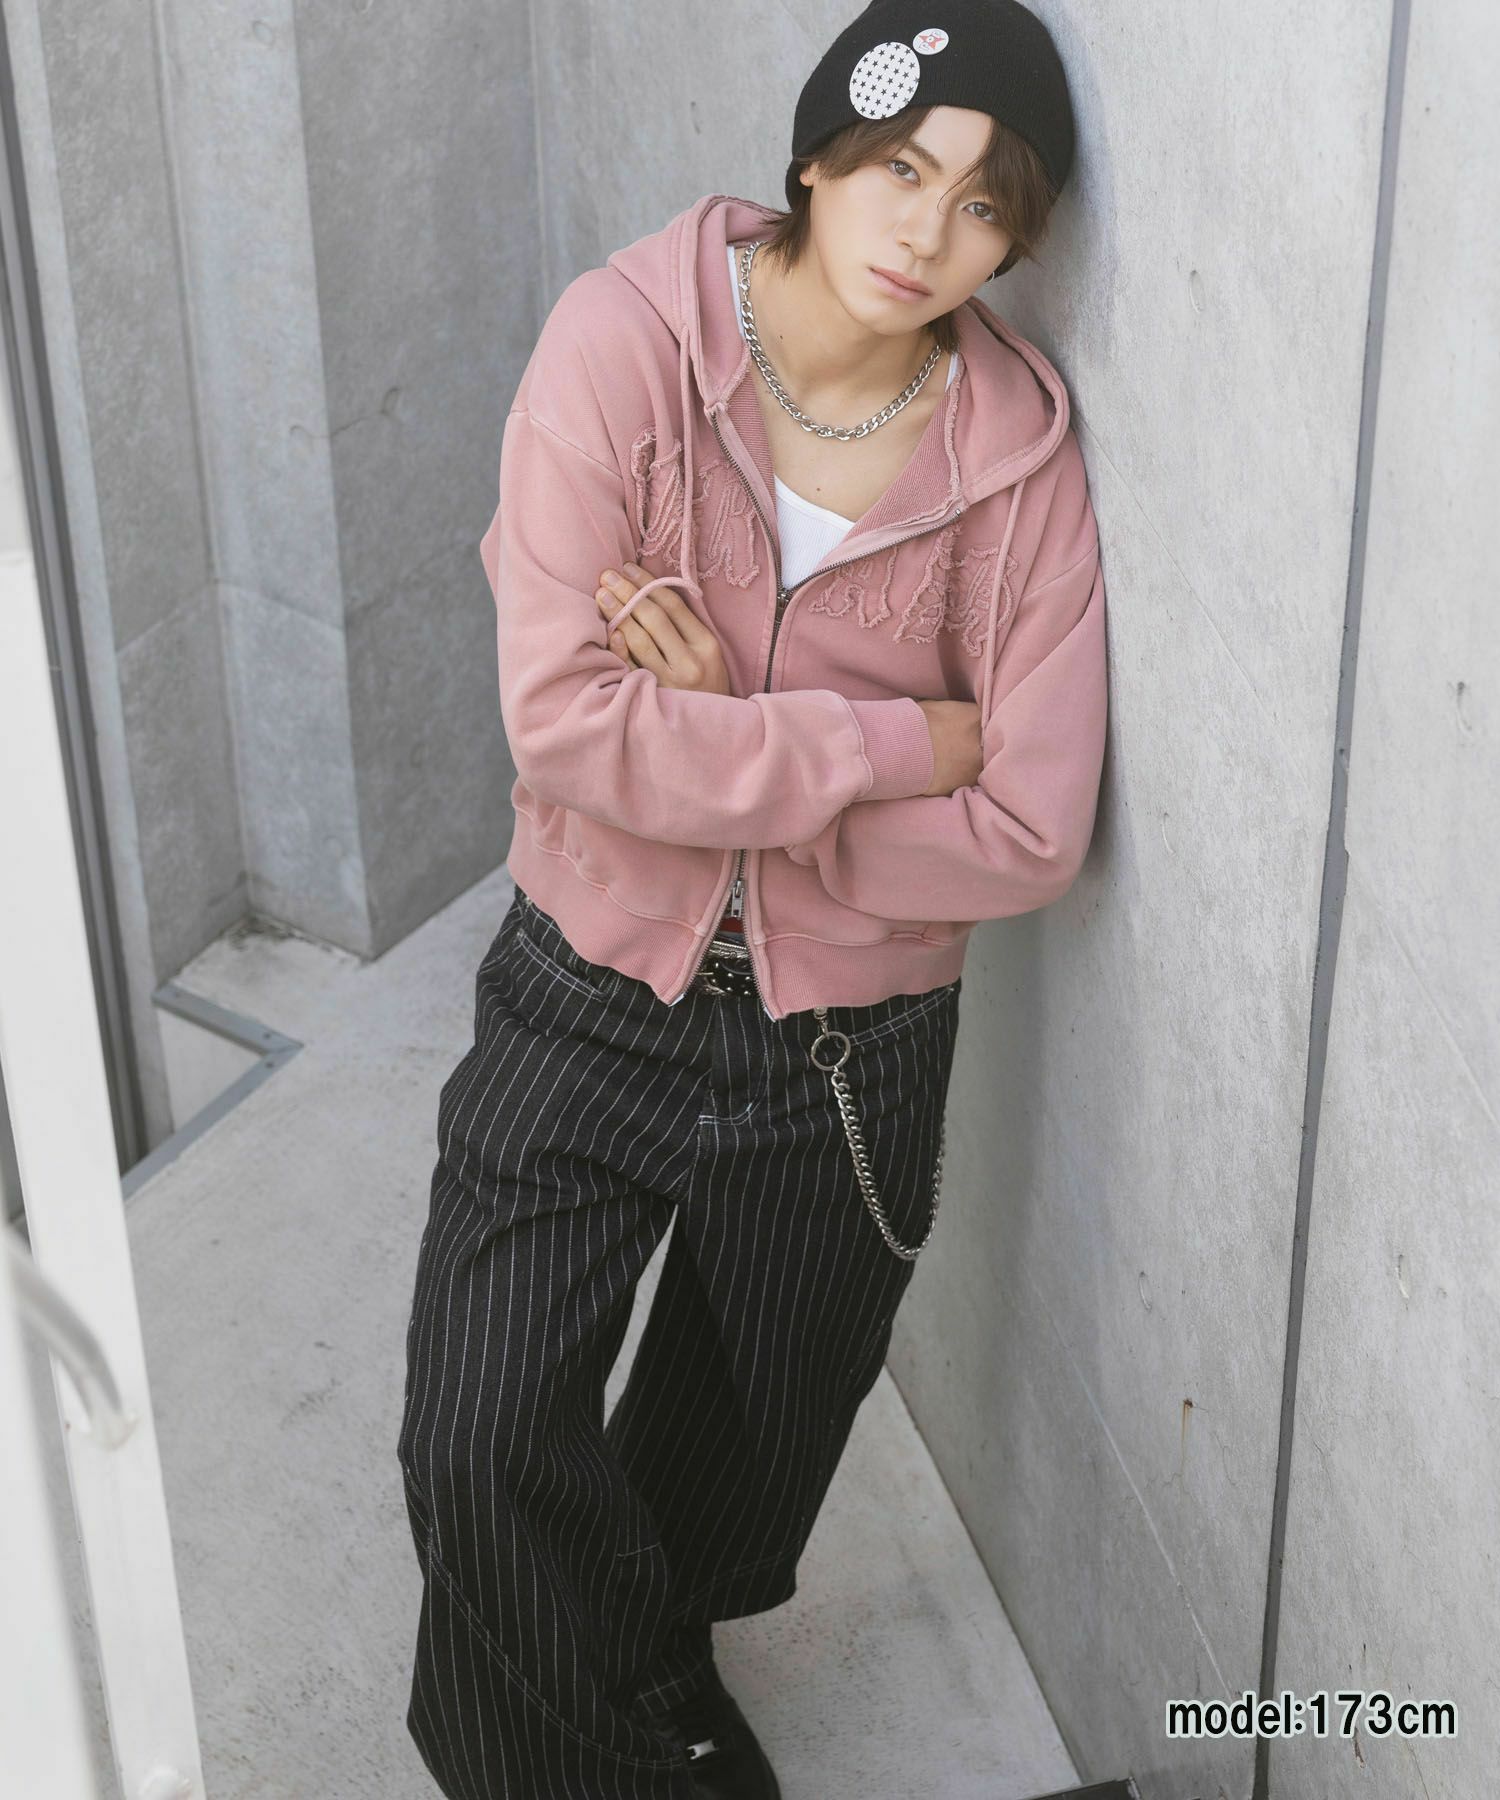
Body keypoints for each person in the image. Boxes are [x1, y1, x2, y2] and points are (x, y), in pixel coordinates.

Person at [396, 2, 1106, 1794]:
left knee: (737, 1472)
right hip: (586, 988)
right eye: (898, 168)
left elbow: (1033, 826)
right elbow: (566, 727)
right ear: (816, 157)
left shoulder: (1016, 461)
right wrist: (883, 745)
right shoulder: (624, 347)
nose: (926, 231)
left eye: (985, 205)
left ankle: (647, 1675)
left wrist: (722, 759)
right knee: (479, 1437)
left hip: (852, 1055)